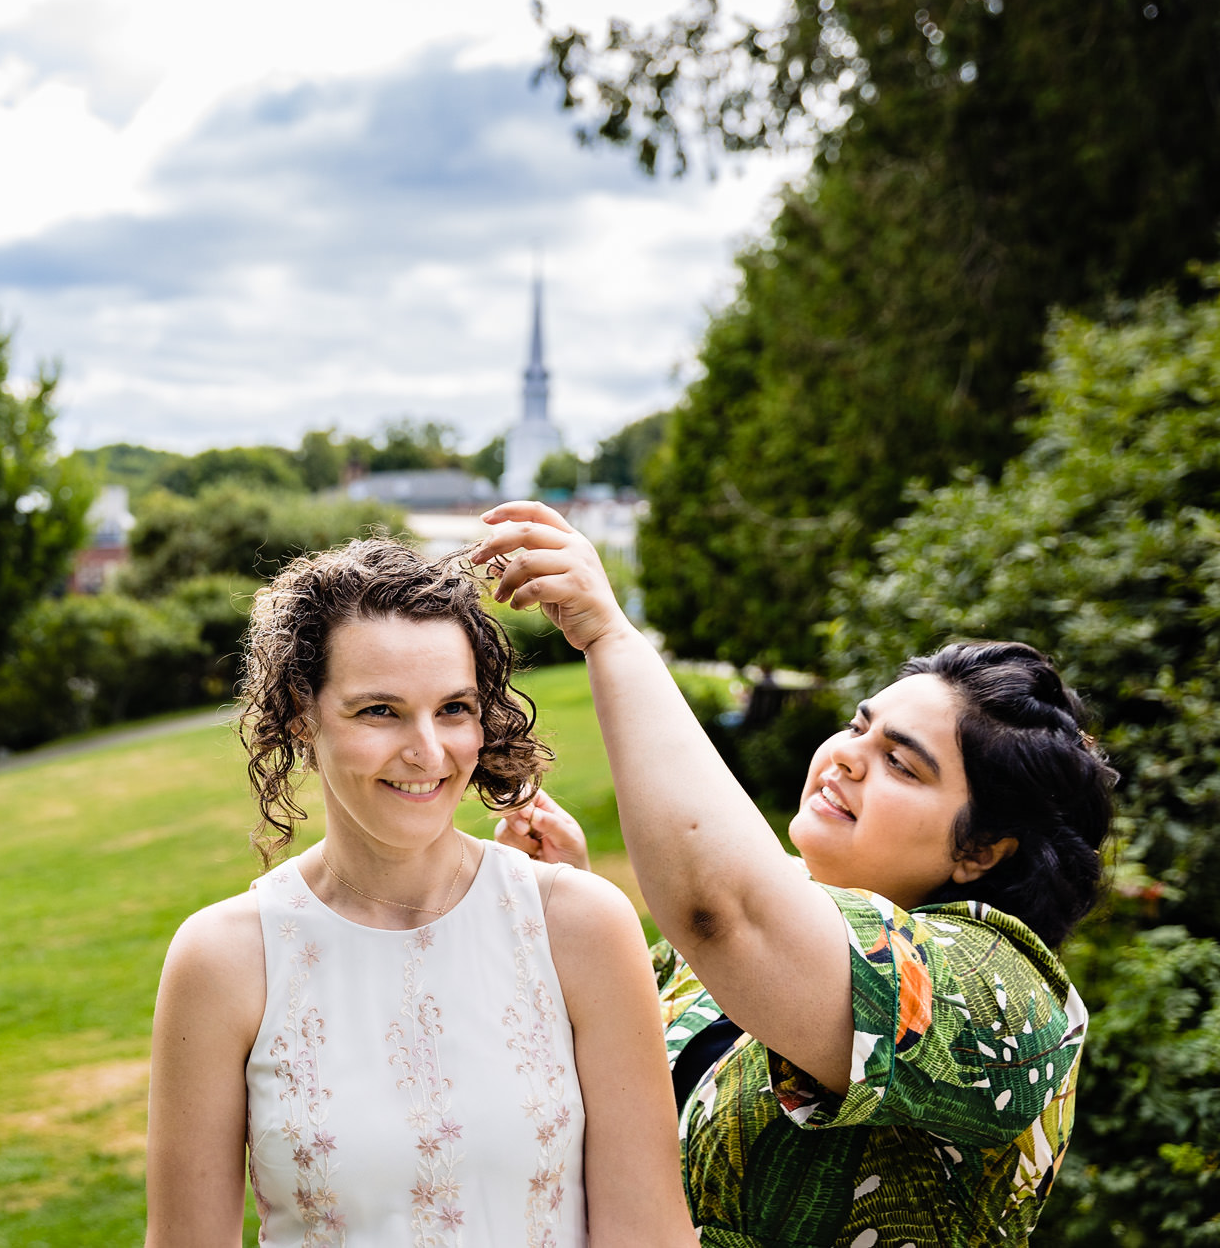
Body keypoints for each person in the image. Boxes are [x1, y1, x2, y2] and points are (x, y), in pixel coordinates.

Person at [475, 501, 1116, 1248]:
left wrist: (611, 636)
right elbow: (600, 1083)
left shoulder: (1009, 1001)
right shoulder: (723, 953)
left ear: (980, 851)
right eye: (857, 725)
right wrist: (575, 896)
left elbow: (726, 910)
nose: (848, 755)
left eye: (901, 762)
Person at [146, 537, 696, 1248]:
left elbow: (650, 1234)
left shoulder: (581, 926)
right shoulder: (223, 960)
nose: (428, 751)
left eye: (454, 708)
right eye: (380, 710)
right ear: (297, 715)